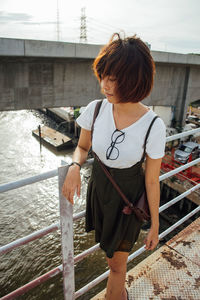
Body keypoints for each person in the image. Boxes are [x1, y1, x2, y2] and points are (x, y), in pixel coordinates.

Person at [62, 33, 166, 300]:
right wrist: (75, 166)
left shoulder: (153, 126)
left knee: (117, 264)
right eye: (103, 77)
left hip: (127, 201)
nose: (104, 86)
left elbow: (152, 180)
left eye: (114, 79)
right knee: (109, 256)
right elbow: (83, 147)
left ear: (134, 81)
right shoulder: (96, 109)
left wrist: (155, 225)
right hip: (100, 190)